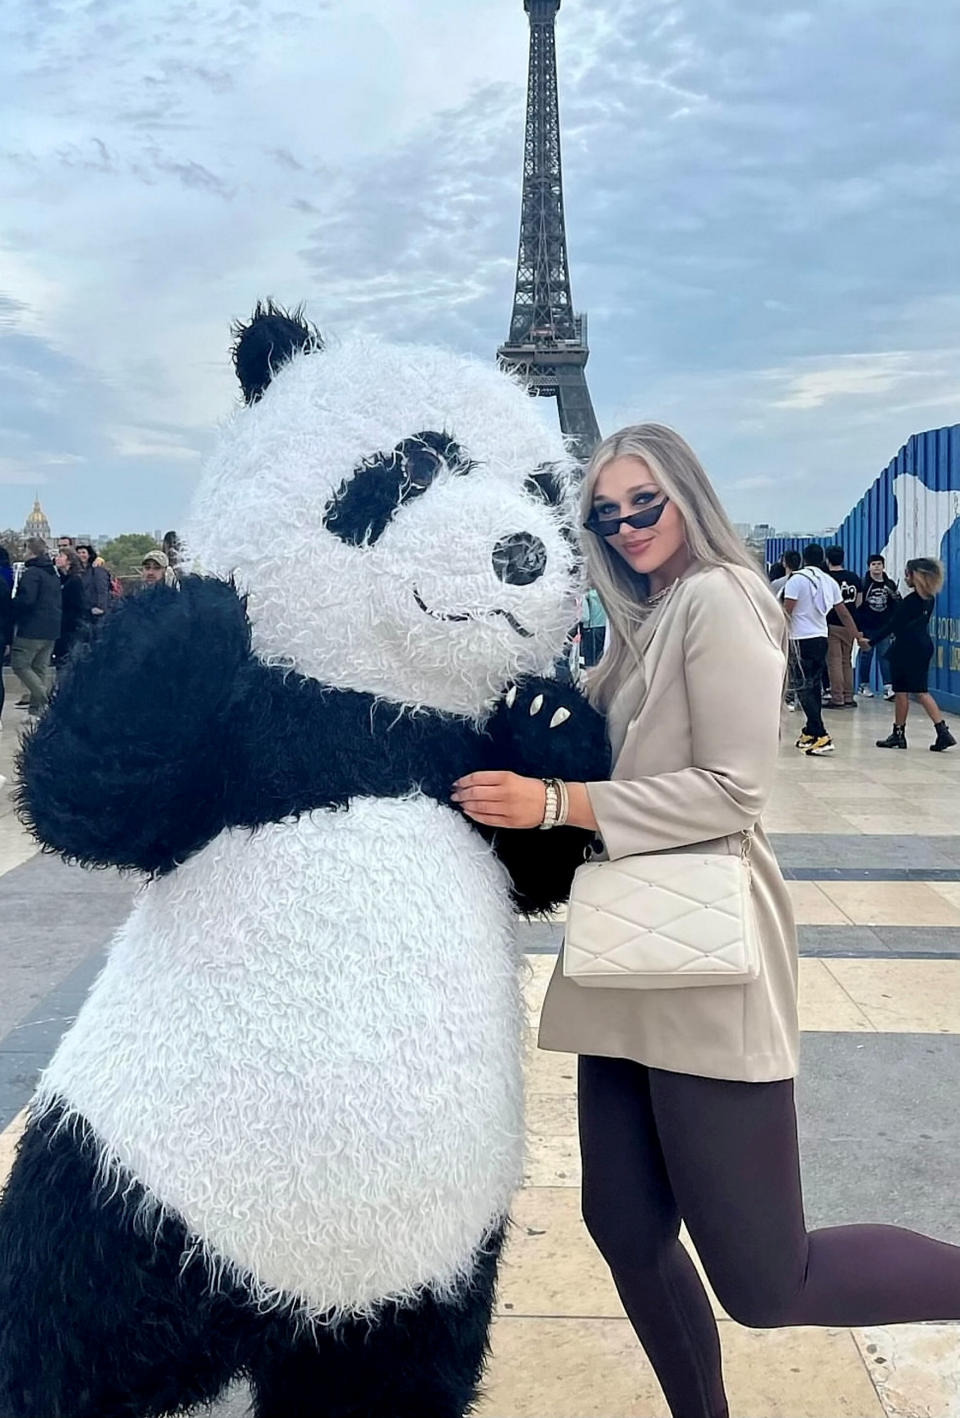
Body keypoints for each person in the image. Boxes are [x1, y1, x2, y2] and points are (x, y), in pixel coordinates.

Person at [452, 423, 960, 1418]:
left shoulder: (722, 596)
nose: (630, 524)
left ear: (689, 494)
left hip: (701, 941)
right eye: (609, 513)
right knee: (623, 1222)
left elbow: (734, 789)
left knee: (771, 1280)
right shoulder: (651, 612)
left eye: (648, 502)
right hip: (634, 942)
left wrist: (555, 806)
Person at [782, 544, 865, 755]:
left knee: (801, 686)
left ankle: (821, 734)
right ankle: (810, 731)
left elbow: (787, 611)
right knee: (814, 686)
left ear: (803, 558)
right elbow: (844, 613)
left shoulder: (797, 579)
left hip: (800, 638)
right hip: (820, 638)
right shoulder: (828, 581)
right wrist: (857, 636)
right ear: (823, 560)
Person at [874, 558, 955, 753]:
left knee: (904, 691)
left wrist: (870, 641)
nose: (905, 578)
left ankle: (902, 733)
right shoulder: (930, 599)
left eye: (907, 574)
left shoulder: (910, 601)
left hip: (906, 648)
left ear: (915, 576)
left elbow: (894, 624)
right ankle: (939, 731)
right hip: (923, 646)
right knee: (919, 690)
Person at [10, 538, 62, 716]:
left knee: (20, 664)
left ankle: (45, 697)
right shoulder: (52, 573)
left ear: (29, 550)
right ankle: (36, 712)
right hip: (52, 628)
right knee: (40, 669)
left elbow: (27, 600)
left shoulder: (32, 573)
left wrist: (12, 606)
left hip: (32, 627)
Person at [823, 545, 862, 709]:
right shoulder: (854, 577)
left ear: (827, 559)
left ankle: (837, 697)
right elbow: (859, 601)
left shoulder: (826, 578)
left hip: (832, 623)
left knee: (834, 661)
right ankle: (848, 696)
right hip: (850, 624)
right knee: (846, 661)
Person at [857, 553, 899, 699]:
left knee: (885, 656)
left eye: (879, 564)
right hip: (867, 626)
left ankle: (888, 687)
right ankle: (864, 686)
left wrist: (893, 626)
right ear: (869, 567)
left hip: (884, 627)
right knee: (866, 656)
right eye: (873, 564)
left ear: (883, 566)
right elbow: (859, 606)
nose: (876, 567)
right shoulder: (863, 584)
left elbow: (895, 606)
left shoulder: (890, 584)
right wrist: (859, 628)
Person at [54, 549, 87, 665]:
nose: (57, 558)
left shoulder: (74, 581)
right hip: (62, 626)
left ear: (70, 561)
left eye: (61, 556)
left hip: (70, 628)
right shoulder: (62, 579)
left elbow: (79, 605)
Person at [75, 543, 111, 622]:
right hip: (82, 611)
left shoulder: (97, 570)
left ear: (89, 555)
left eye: (83, 552)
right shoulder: (76, 571)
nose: (81, 555)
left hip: (94, 610)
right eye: (79, 553)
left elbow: (102, 590)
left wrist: (101, 607)